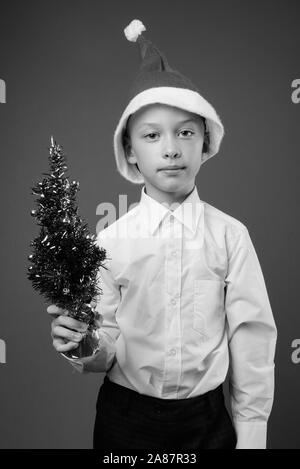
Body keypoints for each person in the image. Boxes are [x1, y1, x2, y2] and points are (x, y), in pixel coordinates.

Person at [48, 19, 277, 450]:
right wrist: (82, 344)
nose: (170, 148)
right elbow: (107, 345)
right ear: (130, 150)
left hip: (207, 422)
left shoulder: (231, 236)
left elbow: (252, 340)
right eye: (152, 135)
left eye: (185, 132)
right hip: (125, 421)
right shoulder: (110, 243)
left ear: (205, 142)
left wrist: (252, 436)